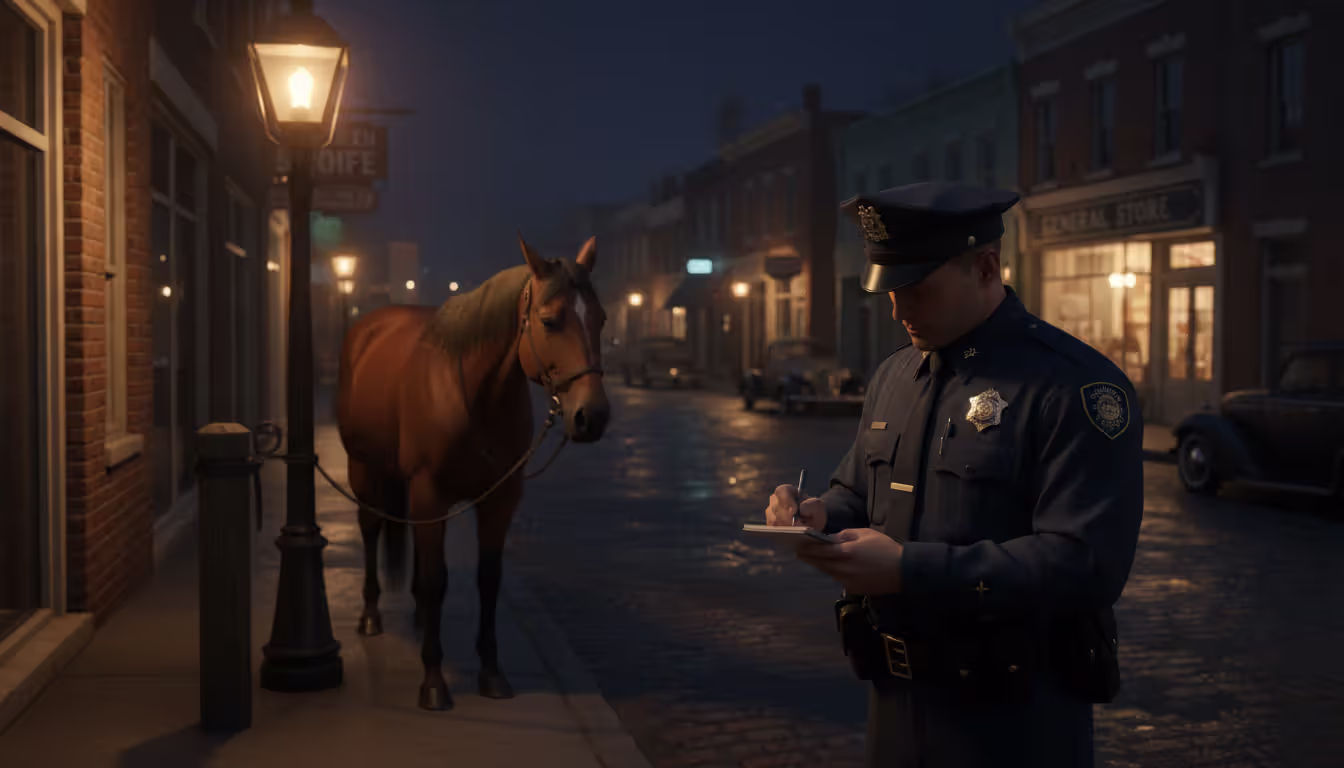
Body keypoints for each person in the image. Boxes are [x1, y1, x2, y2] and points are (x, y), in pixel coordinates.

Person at [765, 182, 1143, 767]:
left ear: (986, 268)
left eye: (916, 288)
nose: (896, 308)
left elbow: (1085, 565)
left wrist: (907, 570)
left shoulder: (1073, 387)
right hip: (895, 705)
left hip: (1015, 720)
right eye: (888, 289)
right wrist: (814, 515)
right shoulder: (895, 374)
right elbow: (856, 492)